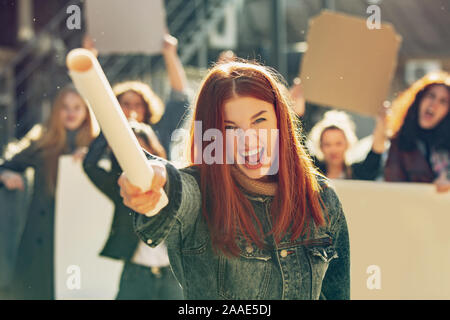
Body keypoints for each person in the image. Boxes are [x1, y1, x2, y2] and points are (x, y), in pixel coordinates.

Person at [118, 61, 350, 300]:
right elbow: (177, 191)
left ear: (280, 121)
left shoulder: (321, 196)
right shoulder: (201, 194)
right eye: (229, 129)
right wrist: (157, 180)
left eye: (259, 121)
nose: (248, 140)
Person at [0, 86, 98, 299]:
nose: (71, 113)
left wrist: (92, 159)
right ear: (55, 111)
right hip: (42, 237)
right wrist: (6, 175)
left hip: (81, 236)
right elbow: (5, 166)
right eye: (64, 107)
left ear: (86, 111)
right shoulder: (42, 144)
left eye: (77, 107)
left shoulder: (98, 146)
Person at [82, 121, 183, 300]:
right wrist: (110, 125)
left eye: (142, 152)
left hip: (173, 275)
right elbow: (90, 165)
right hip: (135, 274)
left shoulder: (173, 183)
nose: (138, 161)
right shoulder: (120, 188)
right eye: (130, 155)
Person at [384, 72, 450, 193]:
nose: (434, 104)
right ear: (419, 99)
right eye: (431, 96)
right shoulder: (399, 143)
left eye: (443, 101)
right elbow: (393, 189)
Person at [307, 108, 388, 180]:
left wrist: (382, 121)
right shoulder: (312, 173)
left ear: (347, 144)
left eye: (338, 144)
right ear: (320, 146)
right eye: (327, 144)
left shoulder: (358, 173)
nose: (333, 150)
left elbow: (376, 152)